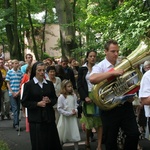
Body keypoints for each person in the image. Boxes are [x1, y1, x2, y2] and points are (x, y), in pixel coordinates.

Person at [89, 39, 140, 150]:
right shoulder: (100, 66)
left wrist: (130, 93)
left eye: (117, 51)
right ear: (105, 51)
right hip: (109, 110)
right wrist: (112, 72)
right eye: (113, 51)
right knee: (110, 141)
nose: (116, 54)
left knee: (134, 134)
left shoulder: (122, 63)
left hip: (125, 106)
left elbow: (131, 81)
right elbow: (92, 78)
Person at [21, 62, 62, 150]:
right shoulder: (29, 85)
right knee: (40, 144)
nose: (42, 72)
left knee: (51, 143)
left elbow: (55, 99)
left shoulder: (49, 84)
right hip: (36, 119)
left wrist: (49, 100)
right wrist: (37, 104)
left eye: (43, 70)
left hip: (49, 118)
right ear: (34, 71)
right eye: (39, 70)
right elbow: (24, 102)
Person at [77, 50, 103, 150]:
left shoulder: (99, 68)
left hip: (98, 95)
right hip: (87, 95)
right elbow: (79, 85)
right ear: (87, 57)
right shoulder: (82, 69)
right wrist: (84, 97)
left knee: (99, 120)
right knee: (89, 121)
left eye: (94, 56)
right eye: (91, 56)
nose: (93, 58)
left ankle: (99, 145)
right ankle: (87, 139)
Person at [57, 79, 81, 150]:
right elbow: (59, 108)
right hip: (65, 118)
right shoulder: (61, 97)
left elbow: (76, 105)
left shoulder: (74, 95)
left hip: (73, 118)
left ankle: (76, 147)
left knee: (74, 131)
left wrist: (75, 110)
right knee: (63, 132)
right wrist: (68, 113)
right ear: (64, 87)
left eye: (71, 86)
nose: (70, 88)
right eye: (68, 86)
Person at [5, 59, 23, 131]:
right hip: (12, 93)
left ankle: (15, 122)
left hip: (18, 93)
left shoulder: (20, 73)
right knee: (15, 109)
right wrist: (12, 92)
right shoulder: (9, 72)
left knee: (18, 109)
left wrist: (19, 92)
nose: (16, 64)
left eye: (17, 63)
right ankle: (16, 124)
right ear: (12, 64)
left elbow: (21, 83)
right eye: (15, 63)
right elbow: (8, 83)